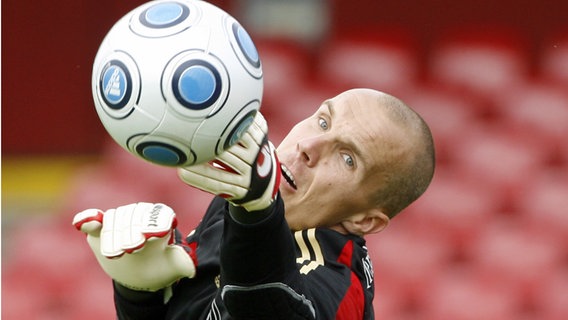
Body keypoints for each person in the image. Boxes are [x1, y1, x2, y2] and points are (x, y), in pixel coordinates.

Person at [73, 88, 435, 319]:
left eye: (348, 158)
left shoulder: (341, 290)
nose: (309, 146)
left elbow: (270, 308)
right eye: (323, 120)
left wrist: (257, 215)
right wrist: (140, 293)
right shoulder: (245, 200)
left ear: (365, 220)